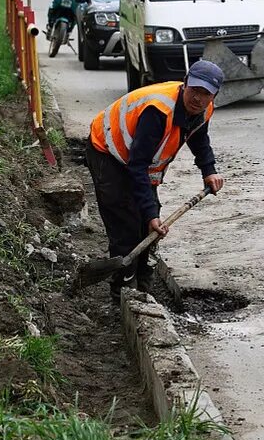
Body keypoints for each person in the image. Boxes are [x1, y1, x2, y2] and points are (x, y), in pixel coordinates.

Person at [85, 60, 226, 295]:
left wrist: (209, 170)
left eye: (205, 94)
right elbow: (137, 166)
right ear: (185, 85)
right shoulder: (158, 111)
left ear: (214, 96)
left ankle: (144, 286)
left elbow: (199, 139)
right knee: (125, 221)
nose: (197, 99)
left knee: (148, 227)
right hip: (107, 151)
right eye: (194, 91)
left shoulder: (203, 110)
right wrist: (151, 214)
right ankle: (123, 289)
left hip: (136, 161)